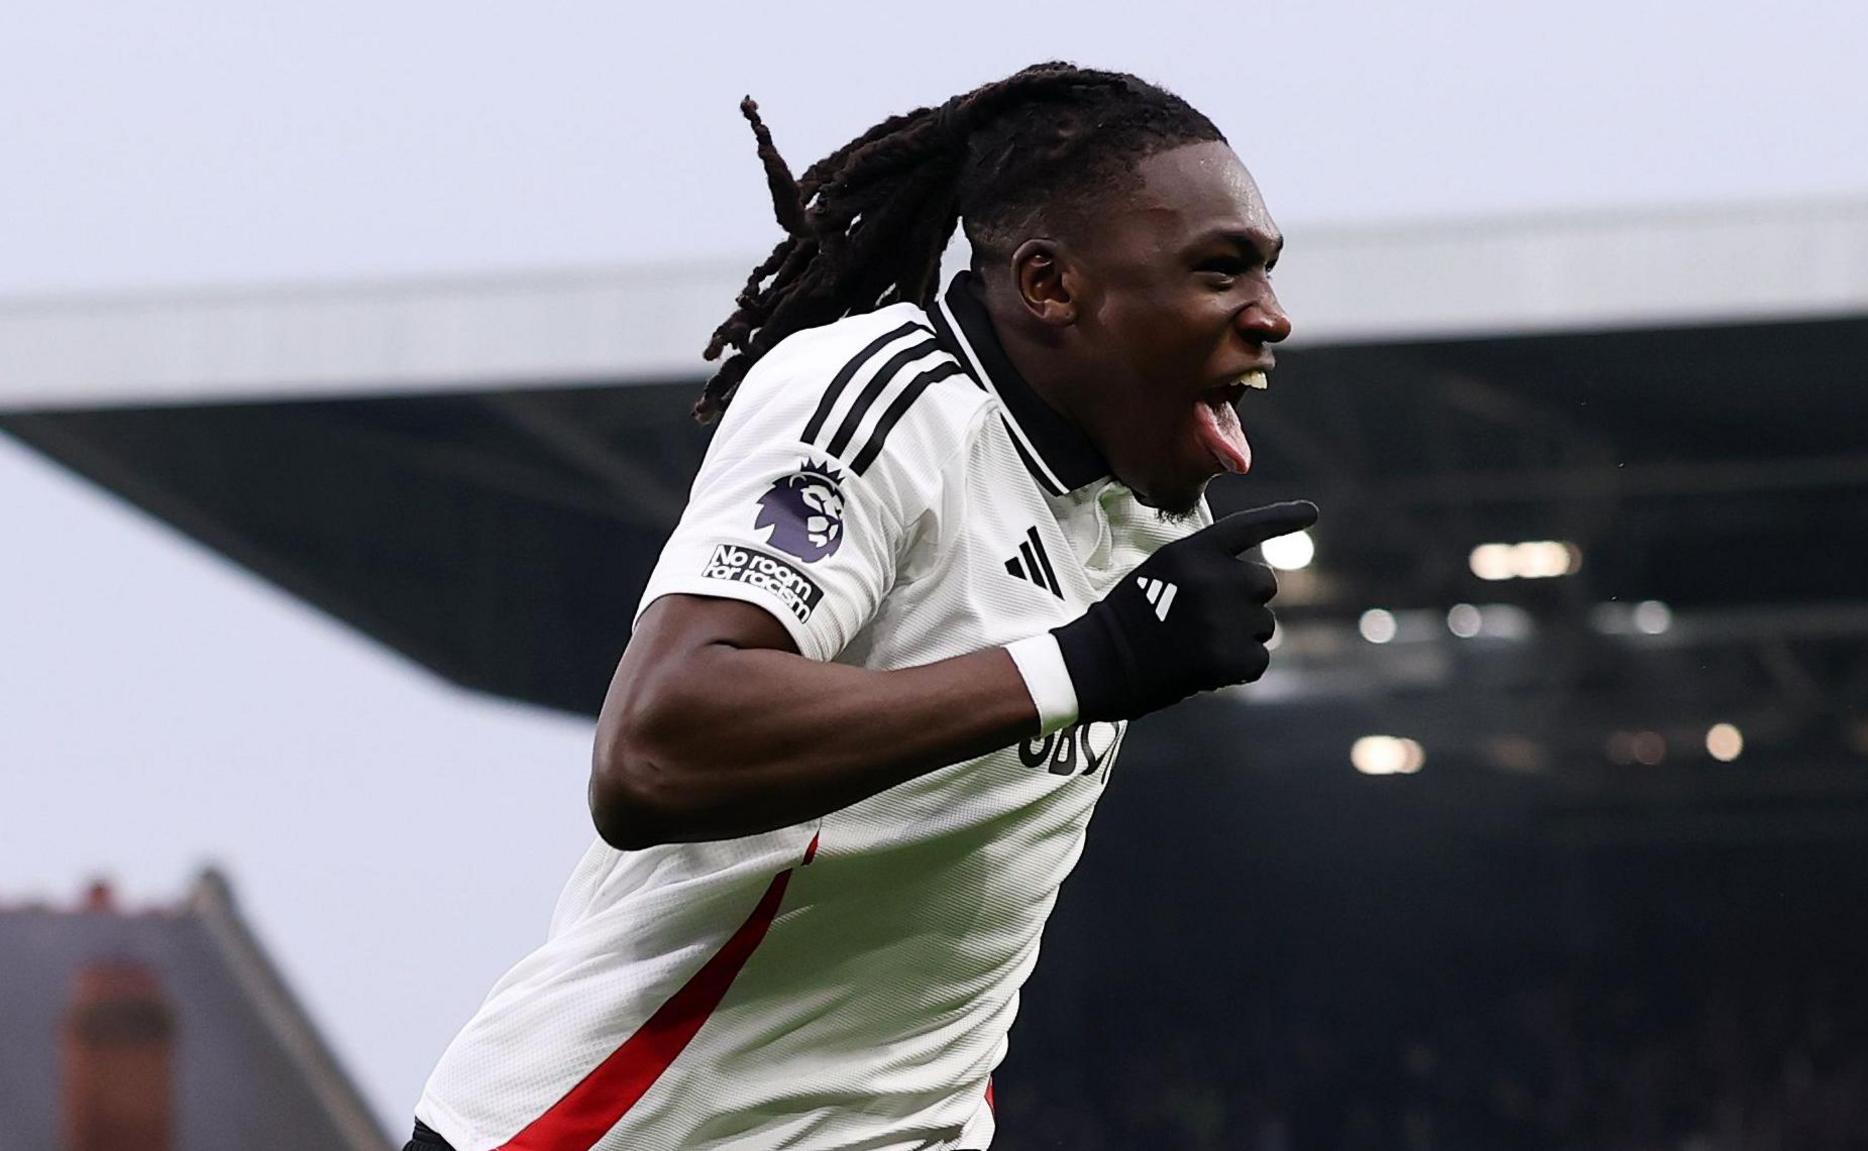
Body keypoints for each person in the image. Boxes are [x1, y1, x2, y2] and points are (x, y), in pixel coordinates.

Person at [406, 61, 1314, 1151]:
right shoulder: (878, 401)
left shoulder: (1138, 501)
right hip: (631, 1126)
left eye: (1264, 270)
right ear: (1048, 285)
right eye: (1222, 271)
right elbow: (653, 750)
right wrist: (1080, 664)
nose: (1271, 316)